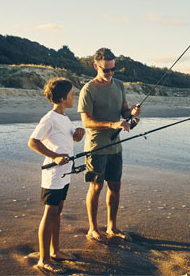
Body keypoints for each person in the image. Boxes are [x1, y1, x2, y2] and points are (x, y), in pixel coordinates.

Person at [77, 48, 141, 244]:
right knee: (96, 187)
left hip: (116, 145)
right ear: (96, 66)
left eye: (113, 69)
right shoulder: (88, 89)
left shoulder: (119, 86)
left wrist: (132, 113)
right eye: (106, 70)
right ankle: (93, 229)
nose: (110, 73)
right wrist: (112, 124)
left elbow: (123, 112)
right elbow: (86, 121)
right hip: (96, 146)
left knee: (115, 186)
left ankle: (112, 227)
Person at [28, 77, 85, 273]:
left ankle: (56, 251)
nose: (73, 97)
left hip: (65, 173)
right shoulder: (49, 118)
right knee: (50, 213)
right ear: (62, 98)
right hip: (53, 174)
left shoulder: (65, 118)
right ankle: (43, 260)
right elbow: (33, 142)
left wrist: (78, 135)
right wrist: (55, 157)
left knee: (58, 211)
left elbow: (68, 140)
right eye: (71, 95)